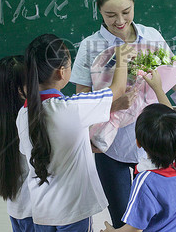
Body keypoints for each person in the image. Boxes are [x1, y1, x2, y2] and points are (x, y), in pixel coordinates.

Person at [71, 0, 176, 228]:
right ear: (99, 11)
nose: (120, 21)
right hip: (109, 149)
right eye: (111, 15)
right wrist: (113, 104)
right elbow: (81, 103)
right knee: (123, 222)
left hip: (154, 146)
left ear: (134, 2)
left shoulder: (152, 37)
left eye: (126, 11)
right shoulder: (90, 47)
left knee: (157, 221)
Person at [18, 33, 134, 231]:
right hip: (73, 209)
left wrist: (81, 145)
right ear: (61, 73)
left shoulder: (24, 112)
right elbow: (118, 88)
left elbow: (46, 144)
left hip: (42, 209)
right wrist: (122, 57)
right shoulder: (72, 107)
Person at [100, 70, 176, 232]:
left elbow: (134, 229)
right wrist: (158, 89)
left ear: (138, 143)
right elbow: (171, 119)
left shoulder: (146, 181)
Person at [0, 55, 34, 232]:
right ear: (20, 90)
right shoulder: (28, 119)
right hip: (34, 212)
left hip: (17, 209)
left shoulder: (3, 120)